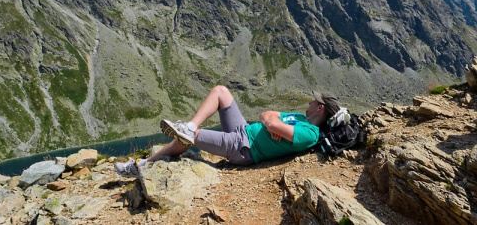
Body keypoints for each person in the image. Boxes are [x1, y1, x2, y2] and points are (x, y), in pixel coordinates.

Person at [114, 85, 341, 178]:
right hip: (244, 130)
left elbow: (271, 121)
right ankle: (190, 126)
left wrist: (271, 123)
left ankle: (140, 167)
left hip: (244, 148)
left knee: (190, 139)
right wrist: (269, 121)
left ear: (320, 108)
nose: (310, 102)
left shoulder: (309, 132)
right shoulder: (301, 117)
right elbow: (267, 115)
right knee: (221, 91)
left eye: (314, 101)